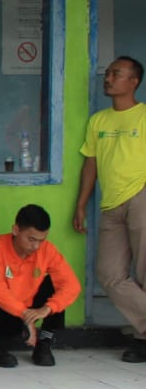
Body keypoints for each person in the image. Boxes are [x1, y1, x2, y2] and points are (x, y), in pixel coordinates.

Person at [75, 56, 146, 362]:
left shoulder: (143, 116)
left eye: (116, 74)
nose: (108, 78)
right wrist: (81, 204)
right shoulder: (99, 121)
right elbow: (90, 163)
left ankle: (143, 338)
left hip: (141, 196)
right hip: (110, 203)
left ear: (134, 82)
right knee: (109, 274)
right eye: (108, 73)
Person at [0, 204, 81, 368]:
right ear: (15, 230)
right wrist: (24, 314)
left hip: (28, 316)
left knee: (55, 285)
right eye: (31, 239)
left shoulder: (47, 251)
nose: (36, 247)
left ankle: (44, 344)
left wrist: (47, 309)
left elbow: (72, 285)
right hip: (1, 317)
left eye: (41, 240)